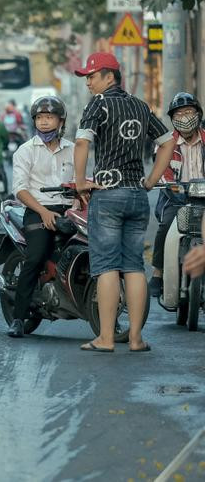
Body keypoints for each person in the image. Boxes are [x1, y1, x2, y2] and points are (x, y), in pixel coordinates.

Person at [73, 51, 173, 353]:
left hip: (107, 194)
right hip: (136, 195)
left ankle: (105, 338)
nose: (88, 82)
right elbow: (168, 141)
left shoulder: (99, 104)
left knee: (106, 268)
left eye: (92, 76)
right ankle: (136, 339)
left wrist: (80, 182)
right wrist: (153, 179)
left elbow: (81, 142)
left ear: (109, 76)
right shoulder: (141, 106)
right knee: (133, 267)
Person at [6, 96, 75, 338]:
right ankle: (18, 317)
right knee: (34, 258)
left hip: (69, 211)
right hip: (37, 210)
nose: (44, 122)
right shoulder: (26, 151)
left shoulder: (73, 149)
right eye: (40, 118)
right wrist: (44, 212)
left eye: (49, 117)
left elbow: (81, 184)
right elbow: (20, 189)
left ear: (60, 121)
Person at [150, 92, 205, 300]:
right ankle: (158, 272)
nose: (184, 117)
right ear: (172, 119)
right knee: (165, 226)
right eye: (179, 113)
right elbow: (162, 172)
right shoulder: (166, 143)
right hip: (176, 196)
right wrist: (171, 186)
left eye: (189, 111)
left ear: (198, 114)